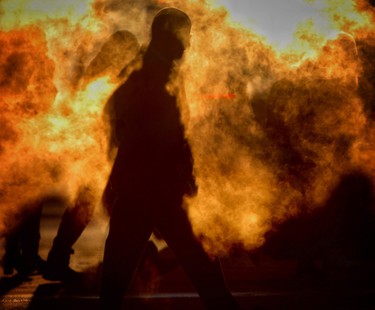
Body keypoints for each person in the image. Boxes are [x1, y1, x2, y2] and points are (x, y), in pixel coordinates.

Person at [99, 7, 240, 310]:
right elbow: (152, 133)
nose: (188, 44)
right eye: (185, 36)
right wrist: (178, 171)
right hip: (153, 186)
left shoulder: (153, 70)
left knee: (124, 263)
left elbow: (118, 120)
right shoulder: (152, 74)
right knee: (195, 256)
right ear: (169, 35)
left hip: (147, 186)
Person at [42, 30, 140, 282]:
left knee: (93, 207)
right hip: (101, 154)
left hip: (98, 153)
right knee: (97, 207)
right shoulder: (110, 79)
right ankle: (113, 265)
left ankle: (61, 258)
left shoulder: (100, 75)